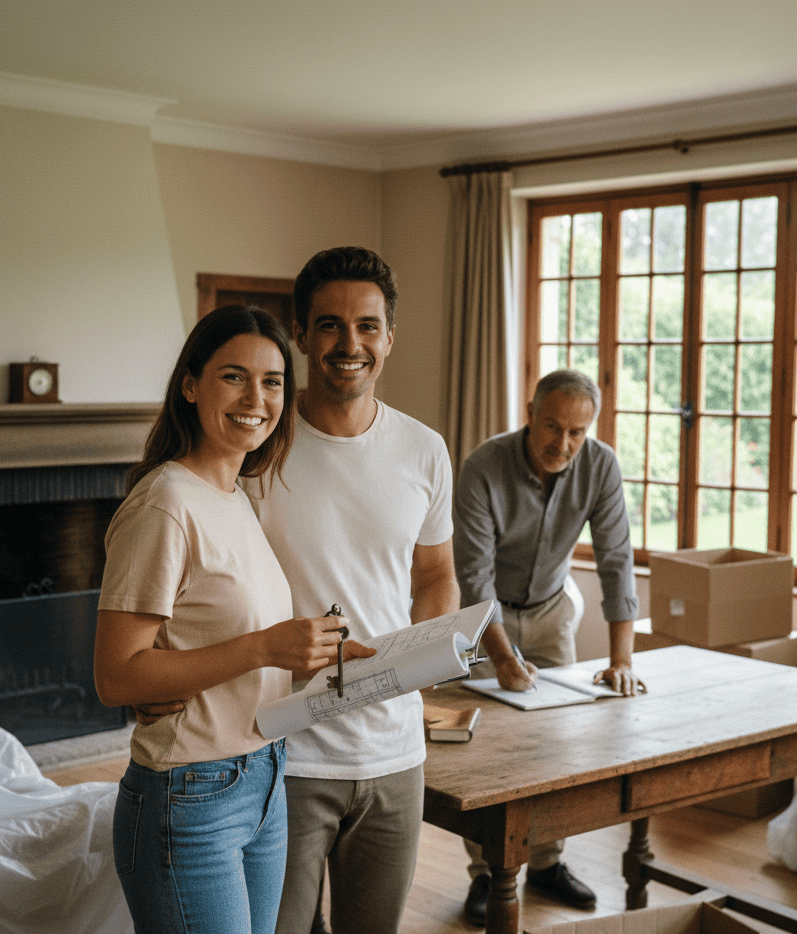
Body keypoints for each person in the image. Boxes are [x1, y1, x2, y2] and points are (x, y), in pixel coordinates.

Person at [93, 305, 371, 934]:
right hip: (189, 795)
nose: (257, 398)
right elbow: (116, 677)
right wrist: (264, 648)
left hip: (266, 778)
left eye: (272, 381)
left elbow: (210, 641)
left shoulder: (236, 495)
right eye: (234, 377)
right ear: (190, 386)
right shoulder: (165, 503)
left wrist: (319, 652)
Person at [250, 247, 461, 934]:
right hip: (284, 751)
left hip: (396, 751)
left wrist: (428, 659)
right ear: (302, 335)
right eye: (331, 325)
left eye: (367, 326)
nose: (350, 344)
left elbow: (434, 575)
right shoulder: (257, 451)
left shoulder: (425, 449)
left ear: (390, 338)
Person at [452, 367, 644, 927]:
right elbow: (474, 579)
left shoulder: (601, 465)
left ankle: (546, 864)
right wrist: (505, 657)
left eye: (577, 433)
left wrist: (622, 660)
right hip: (485, 618)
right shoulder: (484, 467)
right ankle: (487, 876)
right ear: (530, 413)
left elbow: (616, 561)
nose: (564, 444)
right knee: (489, 752)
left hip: (553, 609)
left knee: (554, 745)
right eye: (553, 426)